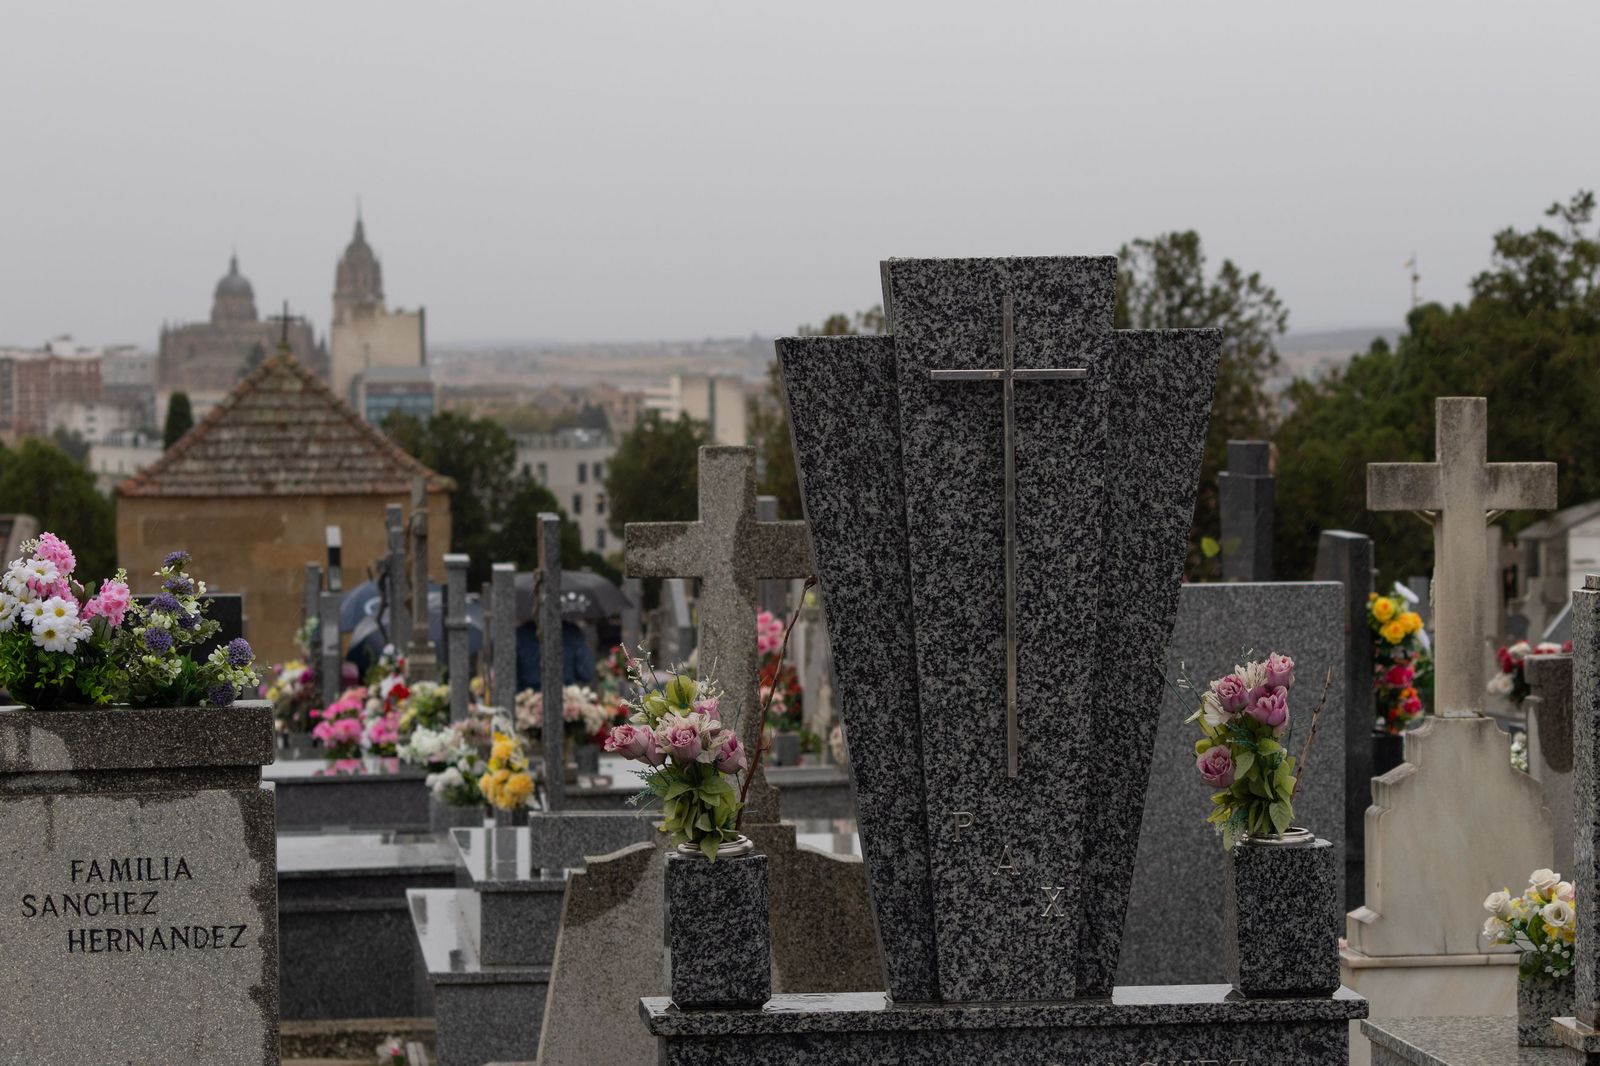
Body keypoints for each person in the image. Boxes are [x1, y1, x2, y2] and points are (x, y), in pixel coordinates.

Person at [515, 619, 597, 692]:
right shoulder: (572, 631)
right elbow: (587, 673)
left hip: (527, 698)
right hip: (566, 696)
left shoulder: (520, 634)